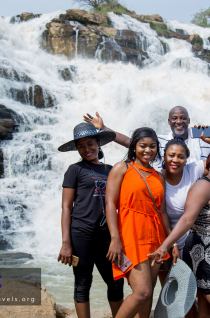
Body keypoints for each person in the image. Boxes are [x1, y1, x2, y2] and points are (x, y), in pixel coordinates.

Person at [148, 148, 210, 318]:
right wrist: (165, 246)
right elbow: (187, 219)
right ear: (209, 165)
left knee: (206, 309)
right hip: (205, 257)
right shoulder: (203, 186)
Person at [57, 123, 124, 318]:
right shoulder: (75, 170)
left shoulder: (112, 170)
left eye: (90, 144)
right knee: (82, 282)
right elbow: (66, 207)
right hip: (81, 234)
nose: (87, 149)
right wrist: (66, 243)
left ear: (98, 143)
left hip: (107, 237)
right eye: (81, 146)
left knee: (115, 281)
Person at [105, 127, 172, 318]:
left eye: (152, 147)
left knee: (148, 292)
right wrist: (114, 239)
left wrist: (171, 242)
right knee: (141, 292)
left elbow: (162, 211)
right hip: (130, 237)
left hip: (156, 239)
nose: (147, 150)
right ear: (134, 146)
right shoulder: (122, 168)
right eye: (143, 146)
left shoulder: (159, 176)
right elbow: (110, 204)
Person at [83, 107, 210, 169]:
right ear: (169, 121)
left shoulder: (201, 135)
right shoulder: (159, 139)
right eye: (175, 118)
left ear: (188, 121)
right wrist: (104, 128)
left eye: (183, 118)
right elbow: (130, 142)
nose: (179, 121)